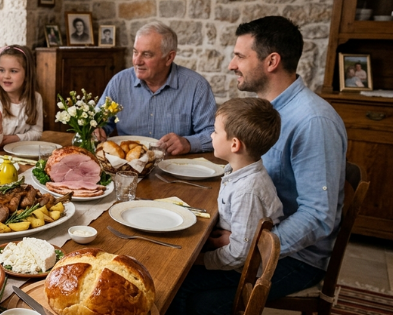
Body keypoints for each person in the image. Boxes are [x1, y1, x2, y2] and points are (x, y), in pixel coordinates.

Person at [170, 16, 347, 314]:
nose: (231, 64)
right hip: (254, 233)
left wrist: (253, 244)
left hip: (297, 258)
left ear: (272, 61)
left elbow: (319, 216)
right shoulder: (264, 113)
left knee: (179, 282)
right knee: (180, 252)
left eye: (240, 56)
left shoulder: (313, 121)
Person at [168, 98, 284, 313]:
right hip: (232, 254)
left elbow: (239, 254)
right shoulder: (238, 171)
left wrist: (200, 260)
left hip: (238, 270)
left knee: (176, 282)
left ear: (234, 144)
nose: (211, 136)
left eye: (215, 131)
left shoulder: (248, 190)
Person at [94, 22, 216, 155]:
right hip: (127, 167)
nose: (137, 61)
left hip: (176, 166)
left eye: (146, 55)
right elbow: (99, 121)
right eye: (135, 52)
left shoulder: (197, 86)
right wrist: (97, 129)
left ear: (169, 57)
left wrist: (188, 143)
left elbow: (213, 134)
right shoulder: (119, 82)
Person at [0, 45, 43, 157]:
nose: (6, 76)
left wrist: (15, 138)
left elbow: (37, 132)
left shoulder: (36, 98)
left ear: (27, 74)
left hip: (16, 155)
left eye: (13, 71)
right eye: (2, 70)